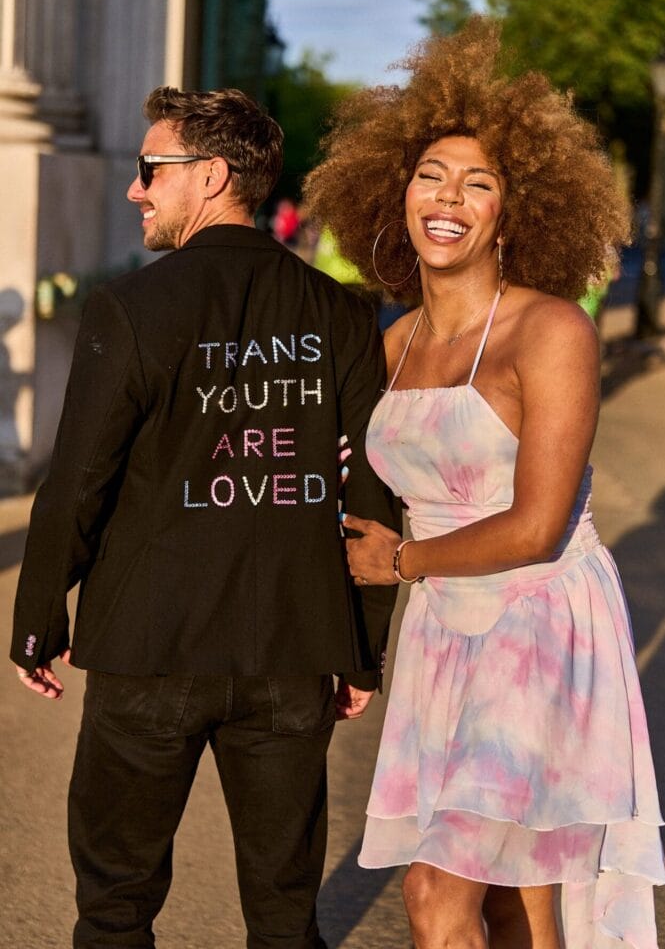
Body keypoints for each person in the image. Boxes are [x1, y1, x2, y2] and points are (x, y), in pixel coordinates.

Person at [304, 18, 665, 949]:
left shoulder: (549, 333)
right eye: (430, 174)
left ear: (516, 209)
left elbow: (538, 524)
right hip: (438, 634)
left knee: (438, 894)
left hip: (536, 624)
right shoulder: (389, 345)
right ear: (396, 191)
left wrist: (405, 561)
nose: (448, 197)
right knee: (516, 896)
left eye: (479, 181)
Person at [10, 85, 399, 949]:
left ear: (212, 175)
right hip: (291, 649)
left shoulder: (133, 309)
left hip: (149, 647)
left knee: (115, 906)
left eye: (151, 170)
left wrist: (39, 616)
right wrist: (362, 645)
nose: (135, 190)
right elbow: (374, 492)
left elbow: (77, 479)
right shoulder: (339, 314)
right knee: (283, 914)